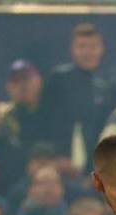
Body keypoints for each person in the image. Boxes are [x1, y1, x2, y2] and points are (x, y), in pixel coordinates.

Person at [40, 23, 107, 162]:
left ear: (101, 49)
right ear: (72, 49)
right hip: (60, 163)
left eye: (93, 47)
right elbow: (43, 122)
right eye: (82, 46)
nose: (88, 52)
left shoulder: (103, 86)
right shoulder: (58, 79)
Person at [3, 60, 46, 155]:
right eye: (16, 81)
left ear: (39, 80)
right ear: (8, 87)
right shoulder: (4, 117)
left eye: (27, 78)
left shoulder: (54, 111)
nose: (22, 85)